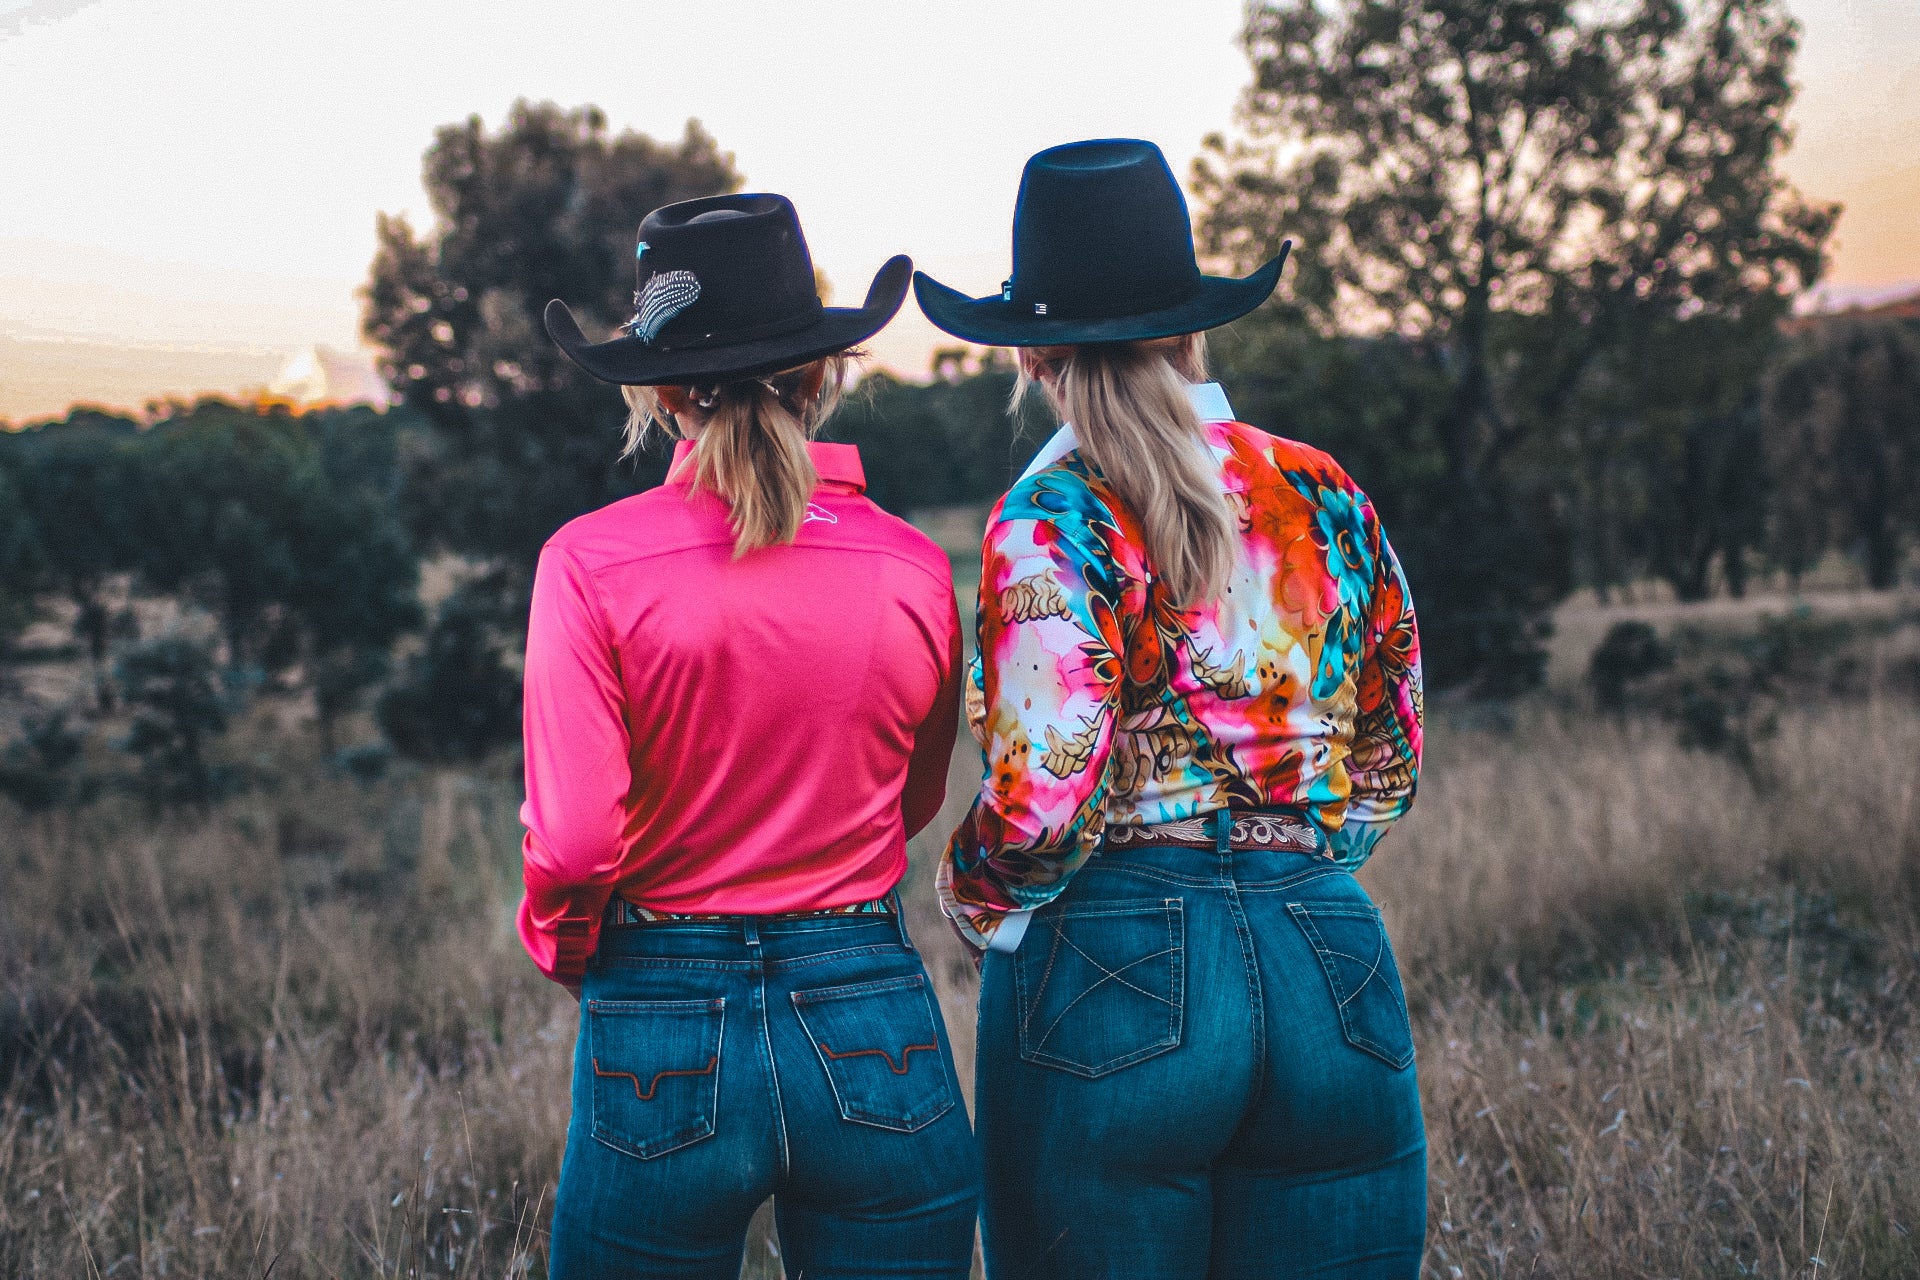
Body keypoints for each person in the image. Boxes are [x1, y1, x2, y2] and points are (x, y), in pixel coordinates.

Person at [916, 140, 1427, 1279]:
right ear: (1195, 327)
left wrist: (971, 894)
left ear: (1035, 351)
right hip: (1327, 947)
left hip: (1118, 963)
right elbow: (1393, 738)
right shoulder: (1322, 488)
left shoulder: (1050, 515)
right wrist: (1297, 852)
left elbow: (1047, 795)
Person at [525, 192, 979, 1279]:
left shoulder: (585, 562)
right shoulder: (914, 563)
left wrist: (578, 948)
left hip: (660, 1002)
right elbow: (911, 799)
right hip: (871, 997)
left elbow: (579, 842)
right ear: (822, 374)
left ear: (660, 388)